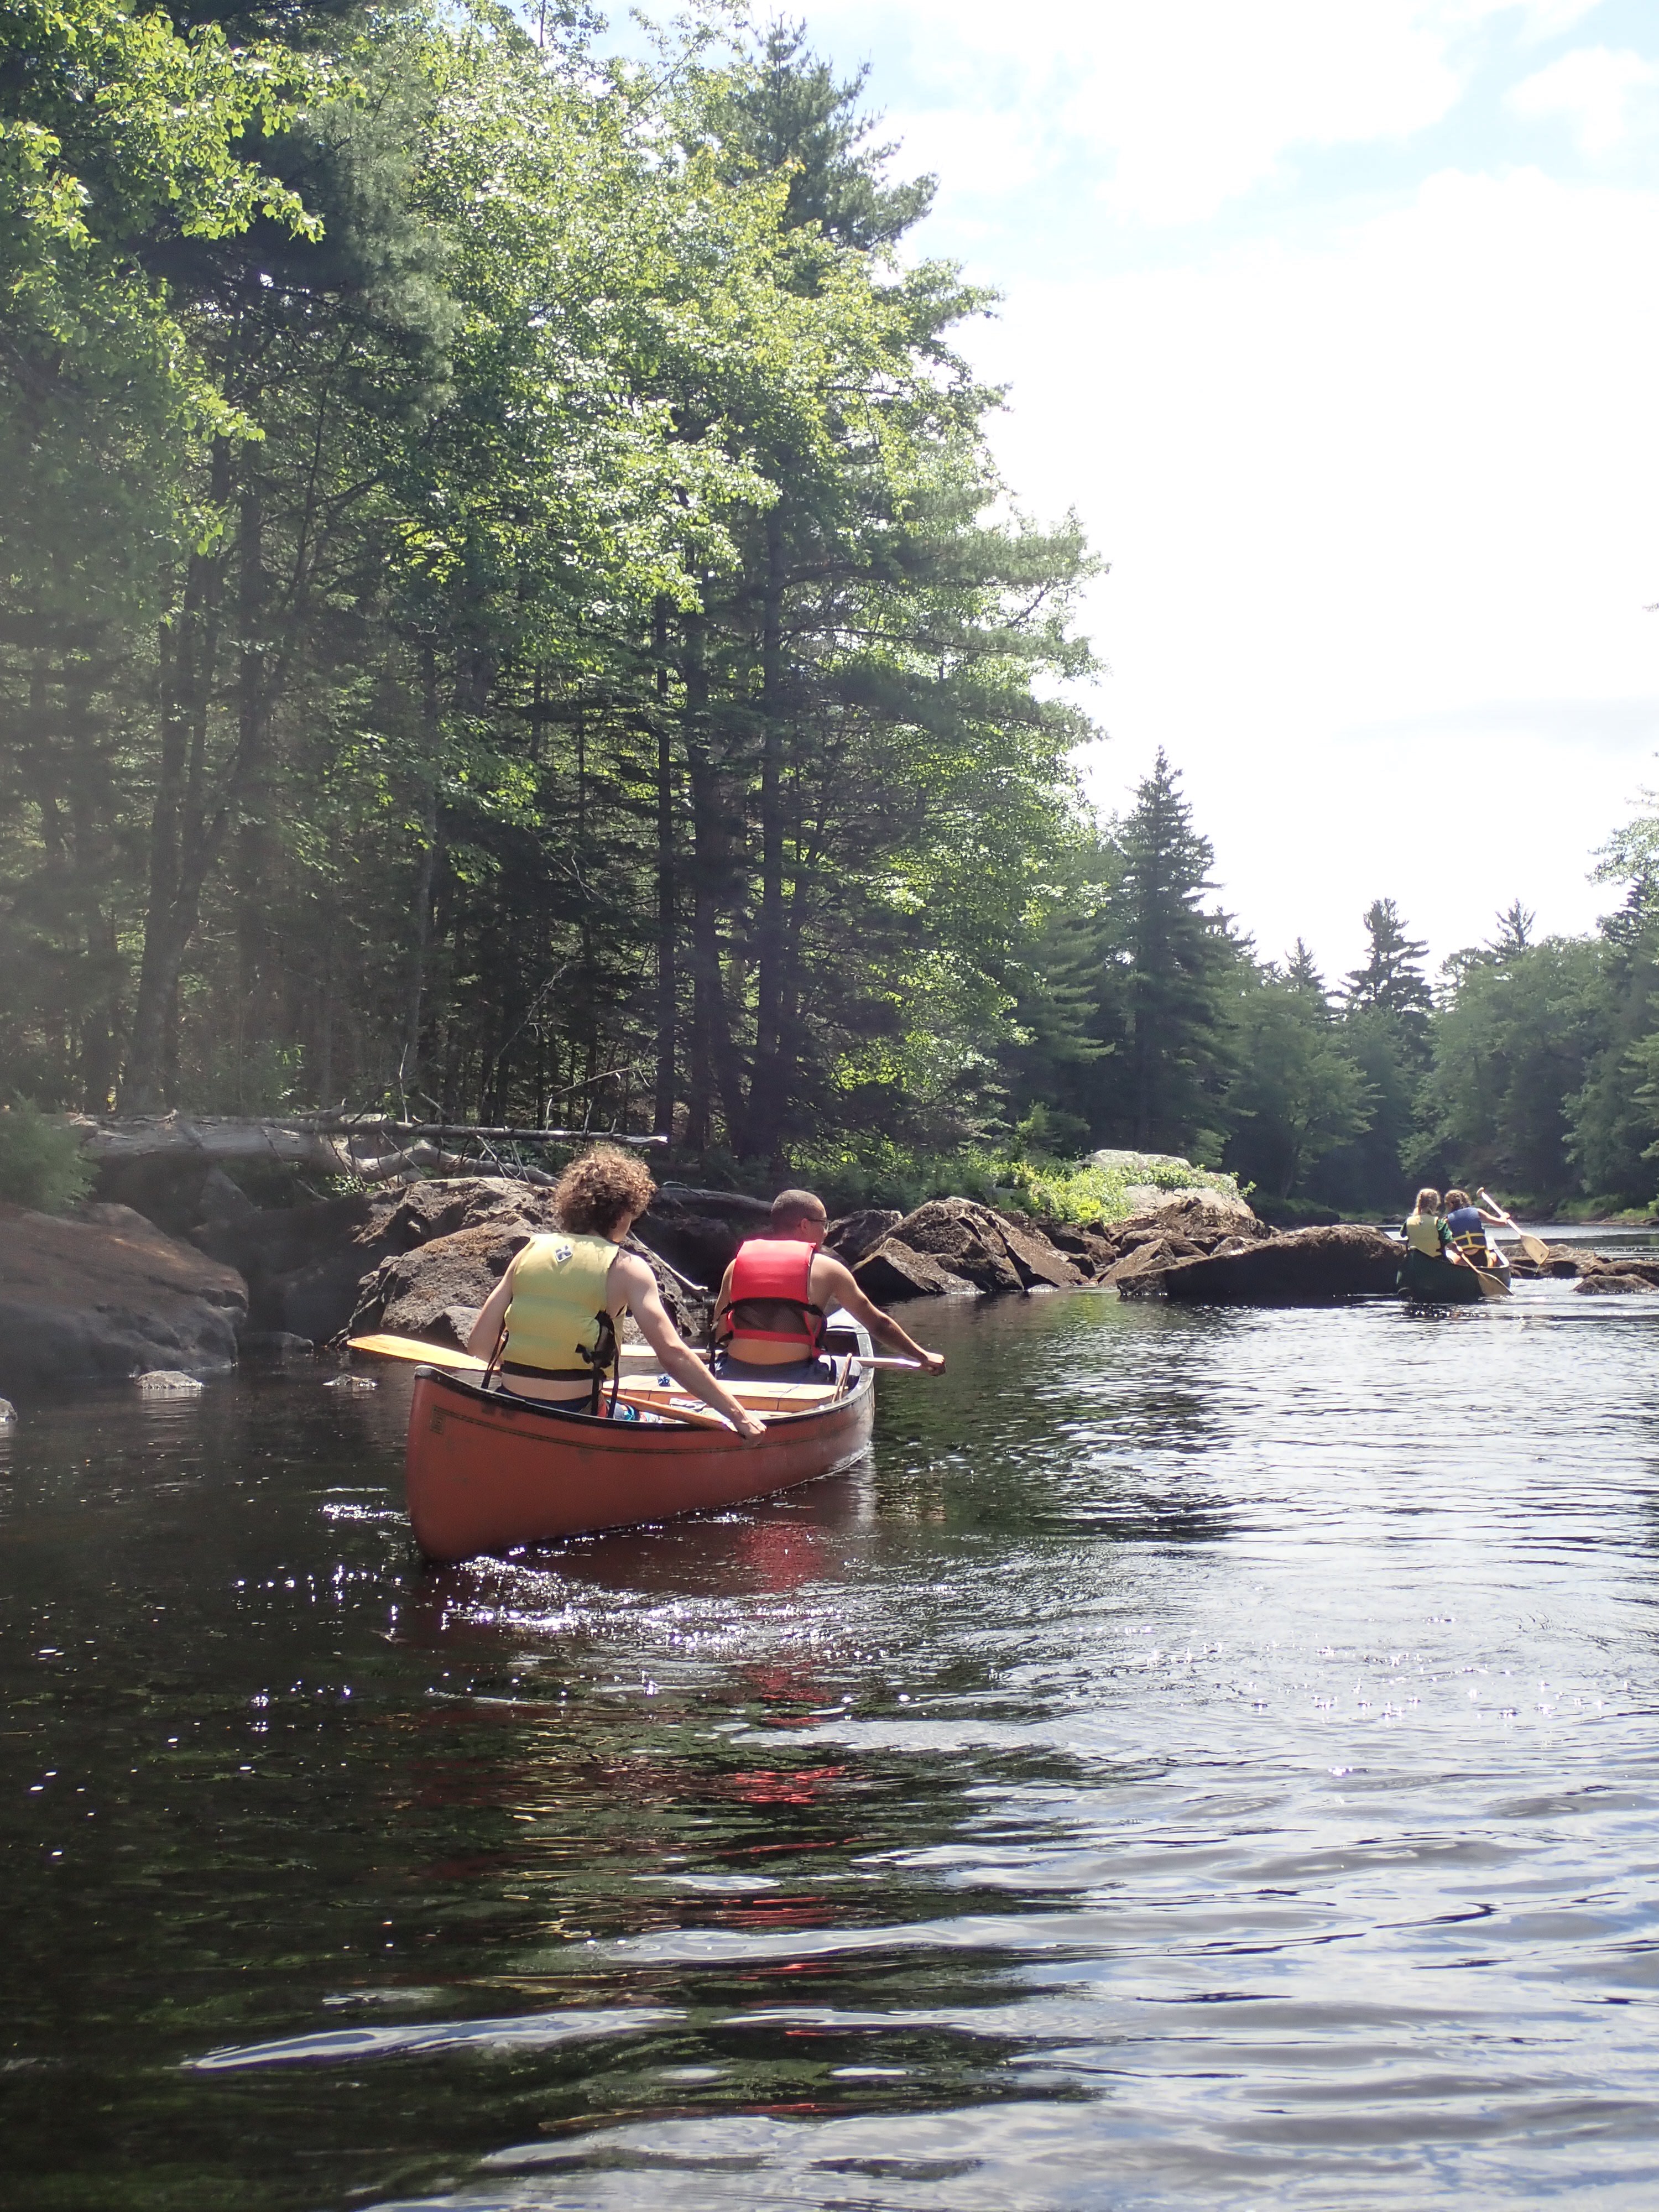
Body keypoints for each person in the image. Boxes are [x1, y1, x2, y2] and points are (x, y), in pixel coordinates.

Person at [466, 1144, 766, 1439]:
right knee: (650, 1419)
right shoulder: (627, 1268)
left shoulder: (529, 1252)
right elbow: (673, 1355)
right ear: (622, 1213)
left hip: (511, 1404)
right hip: (578, 1412)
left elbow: (479, 1344)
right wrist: (738, 1416)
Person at [711, 1188, 946, 1383]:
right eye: (823, 1224)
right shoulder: (828, 1269)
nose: (826, 1232)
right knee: (854, 1371)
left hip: (735, 1372)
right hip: (797, 1374)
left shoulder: (736, 1266)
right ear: (805, 1225)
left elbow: (720, 1331)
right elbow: (878, 1324)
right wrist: (923, 1356)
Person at [1442, 1188, 1507, 1275]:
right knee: (1493, 1253)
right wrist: (1505, 1217)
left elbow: (1446, 1239)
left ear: (1449, 1205)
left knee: (1453, 1257)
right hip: (1482, 1255)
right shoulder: (1478, 1212)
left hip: (1464, 1256)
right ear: (1465, 1200)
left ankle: (1459, 1272)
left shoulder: (1447, 1220)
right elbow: (1502, 1223)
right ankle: (1489, 1270)